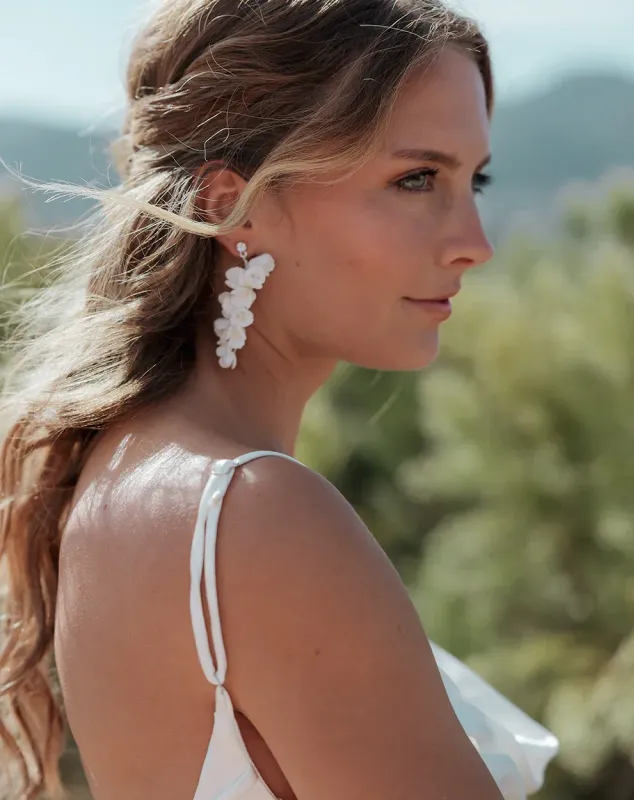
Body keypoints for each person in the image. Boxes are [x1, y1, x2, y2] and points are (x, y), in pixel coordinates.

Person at [0, 1, 558, 798]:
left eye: (477, 179)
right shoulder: (255, 512)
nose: (474, 240)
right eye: (416, 178)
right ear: (233, 204)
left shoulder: (127, 471)